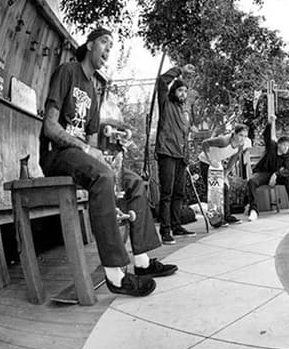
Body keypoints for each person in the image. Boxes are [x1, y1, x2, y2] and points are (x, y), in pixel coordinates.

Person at [39, 27, 177, 296]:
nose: (108, 49)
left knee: (134, 182)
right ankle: (115, 275)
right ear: (90, 45)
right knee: (103, 175)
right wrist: (90, 153)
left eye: (111, 46)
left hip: (80, 157)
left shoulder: (93, 89)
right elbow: (50, 127)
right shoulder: (68, 72)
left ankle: (142, 262)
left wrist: (110, 152)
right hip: (56, 155)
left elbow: (92, 142)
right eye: (104, 42)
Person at [155, 64, 196, 244]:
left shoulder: (184, 111)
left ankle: (176, 225)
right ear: (173, 91)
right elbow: (162, 81)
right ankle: (165, 230)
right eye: (180, 90)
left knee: (179, 192)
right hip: (167, 152)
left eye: (185, 91)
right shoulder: (166, 103)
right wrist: (180, 70)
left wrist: (187, 156)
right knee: (167, 192)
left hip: (181, 156)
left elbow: (185, 135)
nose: (183, 94)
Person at [245, 115, 289, 220]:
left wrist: (276, 174)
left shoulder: (287, 155)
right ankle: (253, 210)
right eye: (285, 145)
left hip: (275, 176)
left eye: (288, 146)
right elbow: (266, 136)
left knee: (288, 178)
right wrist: (270, 123)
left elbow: (288, 170)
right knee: (252, 182)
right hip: (263, 173)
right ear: (279, 145)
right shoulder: (272, 146)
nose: (287, 148)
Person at [199, 124, 252, 225]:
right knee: (214, 191)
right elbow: (204, 143)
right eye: (241, 135)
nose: (243, 138)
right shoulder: (224, 141)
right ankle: (215, 220)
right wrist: (210, 160)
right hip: (206, 163)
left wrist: (225, 174)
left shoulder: (240, 145)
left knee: (225, 188)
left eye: (245, 136)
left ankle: (227, 216)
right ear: (234, 134)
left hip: (217, 164)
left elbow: (233, 160)